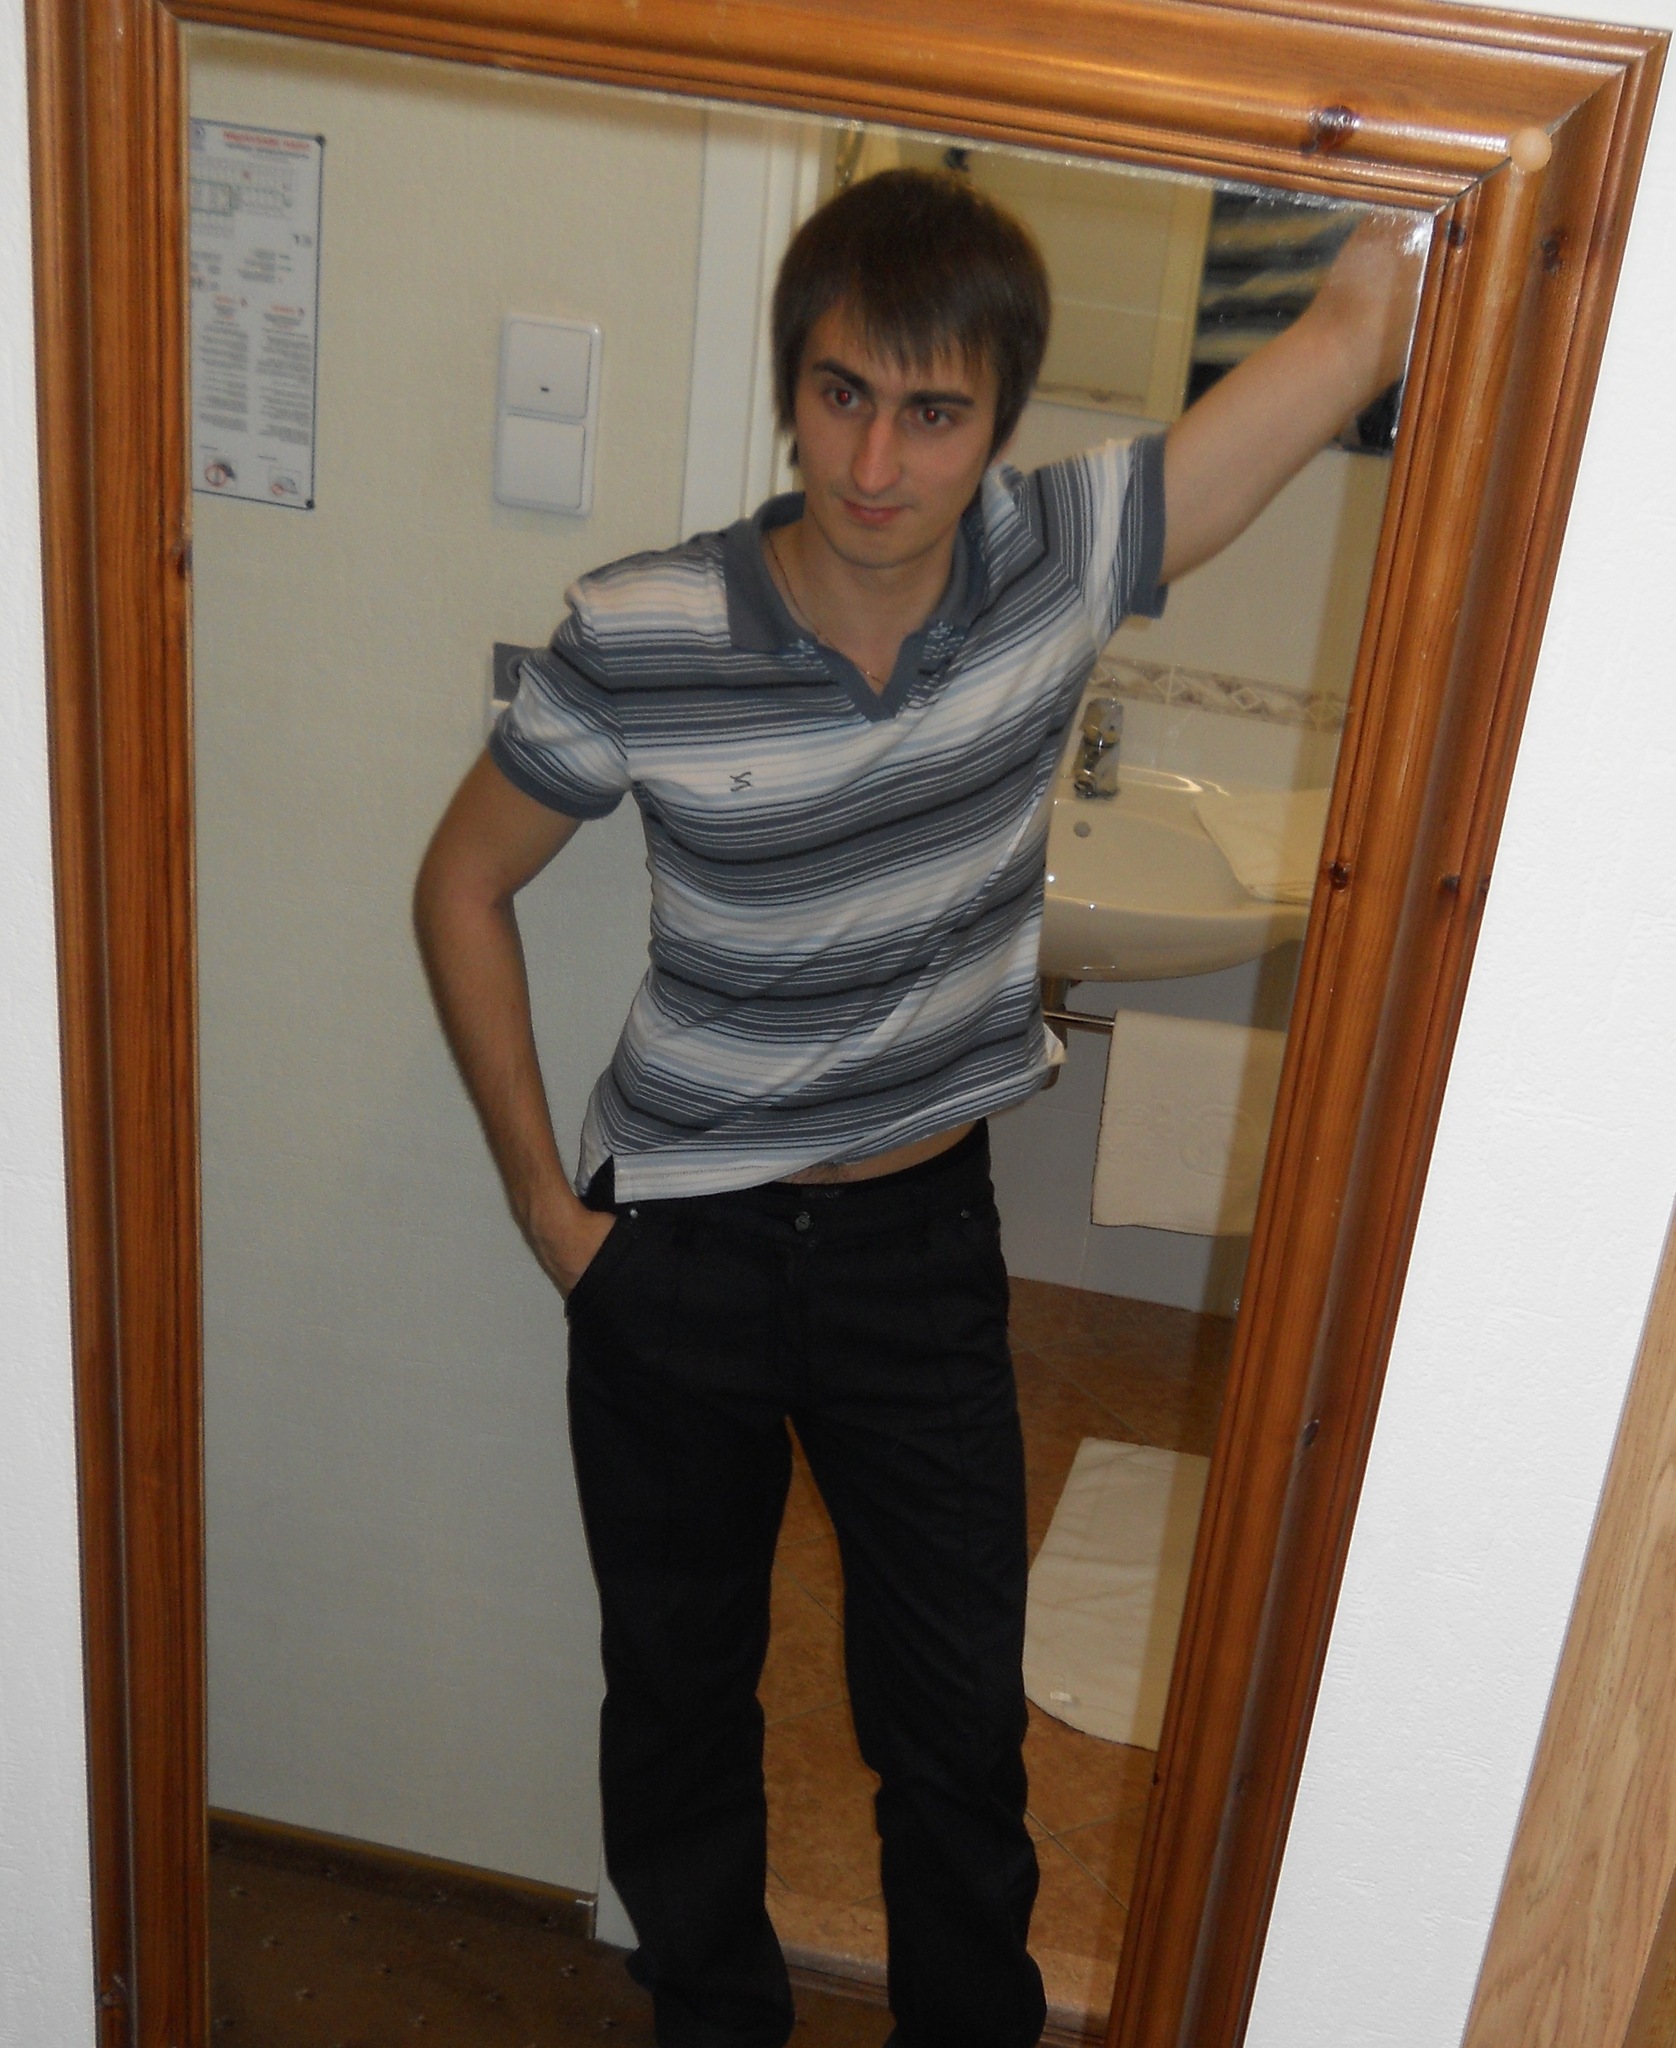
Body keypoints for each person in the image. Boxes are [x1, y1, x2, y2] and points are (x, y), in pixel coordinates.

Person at [414, 168, 1421, 2048]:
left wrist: (1421, 185)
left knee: (953, 1725)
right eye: (842, 395)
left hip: (917, 1247)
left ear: (1002, 423)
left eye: (934, 412)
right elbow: (460, 885)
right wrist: (552, 1213)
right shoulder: (641, 626)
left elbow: (1349, 336)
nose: (877, 463)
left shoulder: (1064, 560)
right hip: (676, 1247)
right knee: (680, 1700)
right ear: (791, 389)